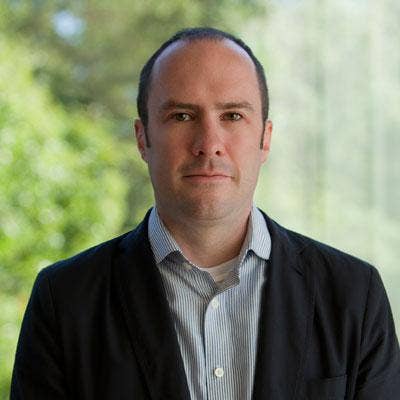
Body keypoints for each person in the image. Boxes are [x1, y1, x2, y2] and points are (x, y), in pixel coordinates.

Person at [11, 27, 400, 400]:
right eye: (182, 116)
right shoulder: (64, 301)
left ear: (265, 138)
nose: (209, 143)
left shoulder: (353, 295)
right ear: (142, 138)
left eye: (232, 116)